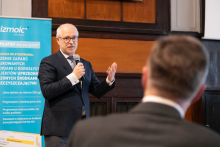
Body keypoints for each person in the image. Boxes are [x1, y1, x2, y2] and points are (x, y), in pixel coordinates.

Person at [67, 35, 220, 147]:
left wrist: (109, 80)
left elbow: (97, 91)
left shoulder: (85, 134)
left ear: (145, 78)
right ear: (199, 93)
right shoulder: (210, 142)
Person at [38, 23, 117, 147]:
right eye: (67, 38)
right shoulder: (48, 62)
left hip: (81, 129)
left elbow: (97, 91)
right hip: (58, 130)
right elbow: (47, 90)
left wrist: (109, 80)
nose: (71, 42)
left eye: (74, 38)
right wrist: (73, 77)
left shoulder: (85, 63)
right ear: (58, 40)